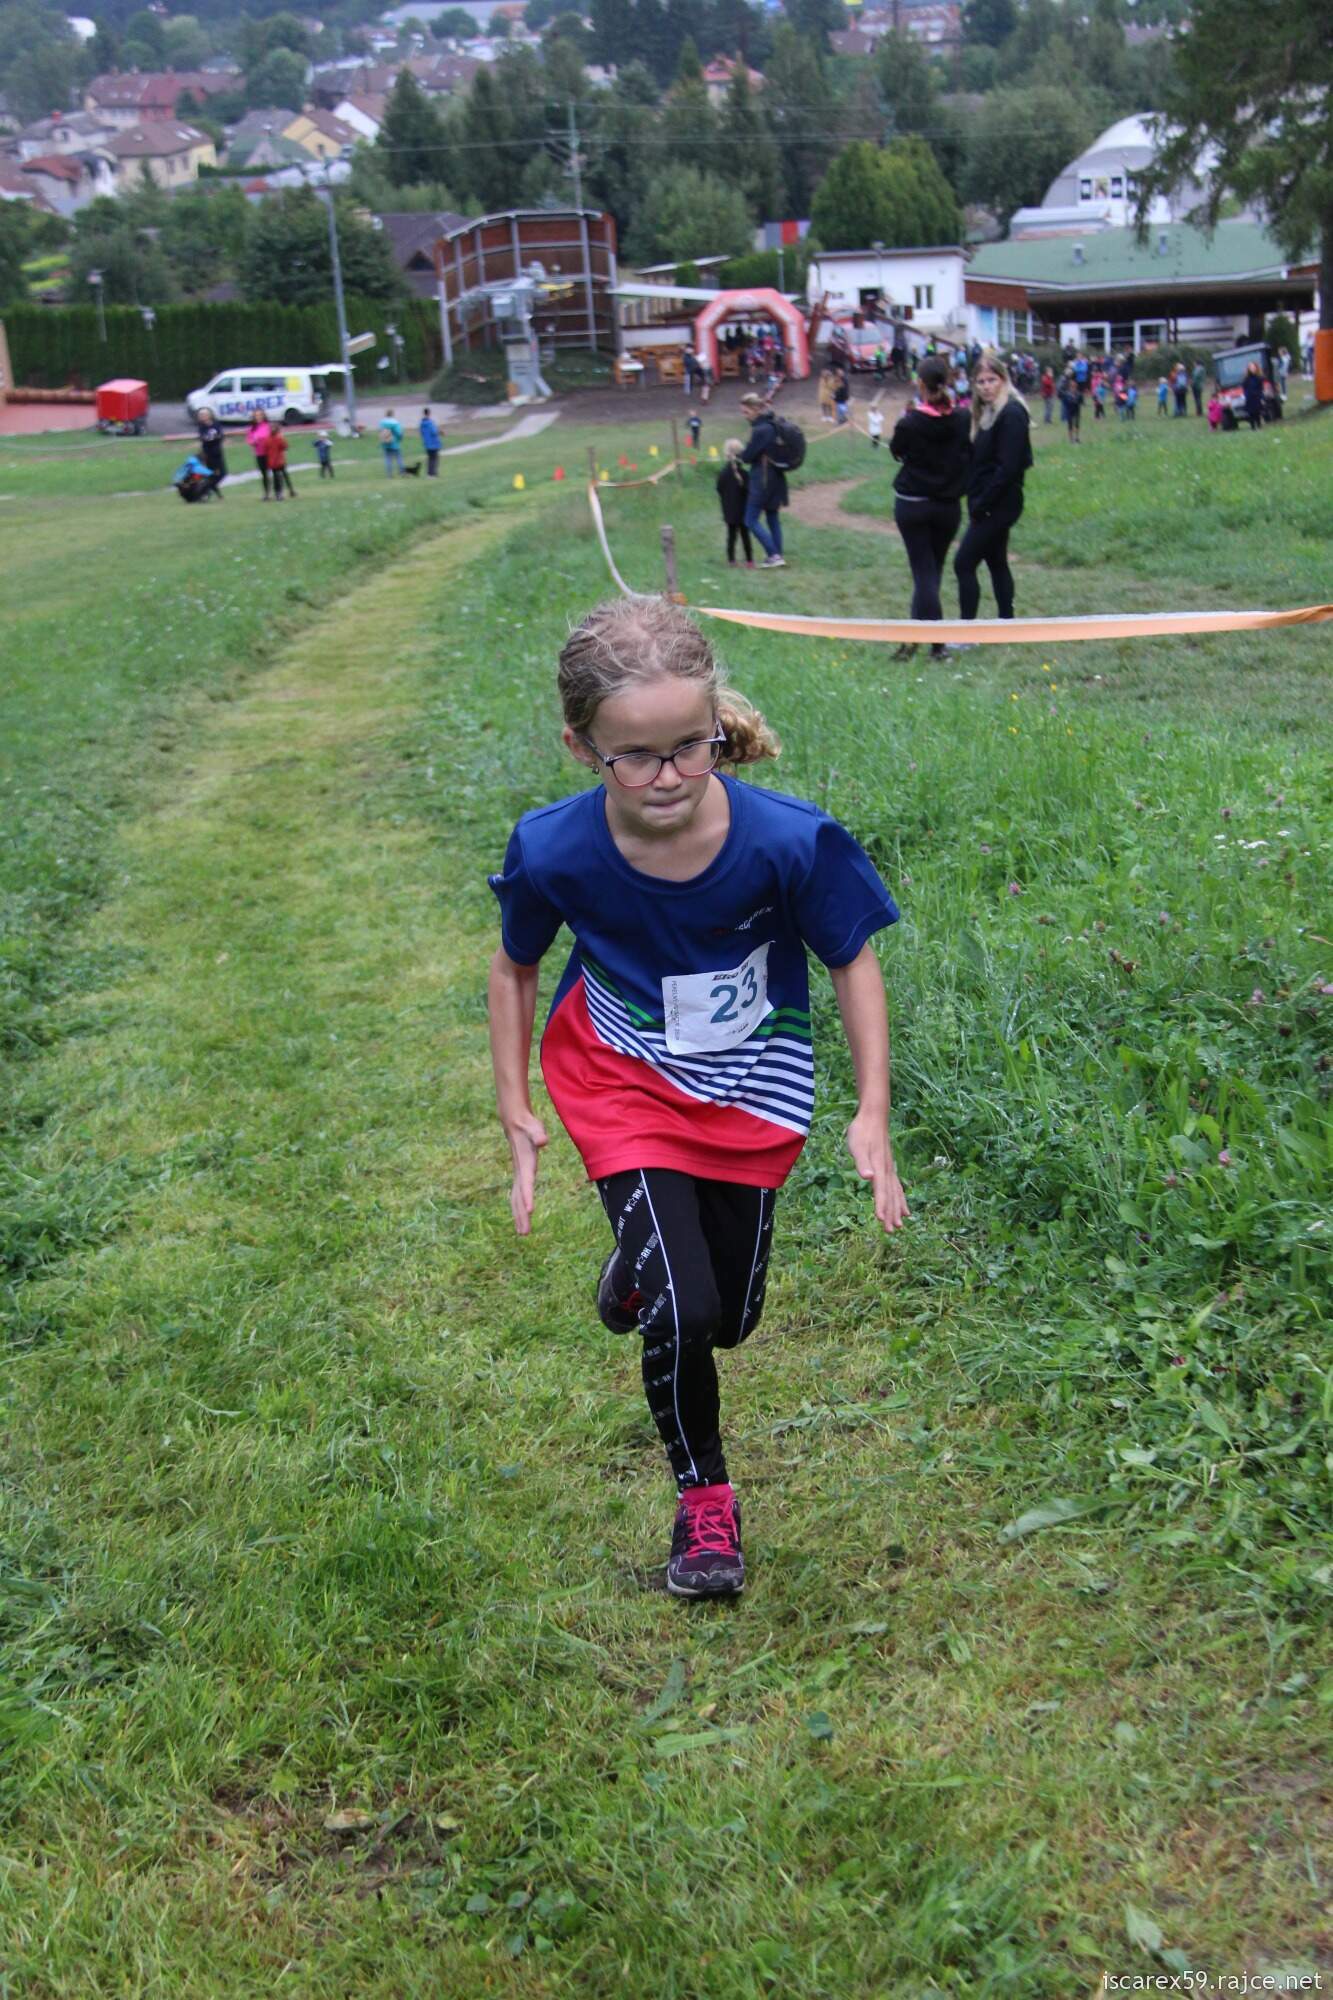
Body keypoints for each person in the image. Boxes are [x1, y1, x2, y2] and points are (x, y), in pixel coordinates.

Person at [486, 597, 907, 1597]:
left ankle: (636, 1275)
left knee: (729, 1314)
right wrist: (516, 1106)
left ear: (716, 726)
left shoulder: (788, 842)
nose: (668, 776)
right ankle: (704, 1501)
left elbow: (850, 960)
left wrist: (871, 1109)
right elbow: (514, 966)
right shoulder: (552, 848)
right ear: (581, 747)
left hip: (750, 1091)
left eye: (689, 746)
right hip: (620, 1079)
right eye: (634, 757)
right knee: (685, 1310)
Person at [889, 353, 971, 662]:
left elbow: (896, 450)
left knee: (925, 576)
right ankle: (913, 643)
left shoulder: (910, 422)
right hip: (947, 508)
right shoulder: (962, 418)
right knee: (930, 575)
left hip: (914, 507)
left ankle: (937, 646)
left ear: (920, 384)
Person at [954, 348, 1031, 626]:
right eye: (981, 381)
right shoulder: (987, 413)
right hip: (986, 500)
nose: (986, 386)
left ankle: (967, 632)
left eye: (991, 380)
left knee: (963, 563)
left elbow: (1008, 467)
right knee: (996, 561)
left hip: (999, 503)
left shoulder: (1011, 413)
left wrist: (982, 504)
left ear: (1003, 379)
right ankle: (1006, 623)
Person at [738, 391, 790, 570]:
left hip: (762, 479)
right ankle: (778, 555)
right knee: (772, 517)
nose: (744, 416)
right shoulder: (773, 425)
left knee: (750, 519)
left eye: (746, 412)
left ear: (756, 410)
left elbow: (747, 456)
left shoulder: (760, 430)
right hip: (777, 478)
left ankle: (773, 554)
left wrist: (739, 453)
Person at [716, 437, 754, 567]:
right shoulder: (745, 474)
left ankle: (731, 560)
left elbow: (719, 489)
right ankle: (749, 561)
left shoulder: (722, 474)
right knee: (745, 535)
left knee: (731, 536)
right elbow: (749, 491)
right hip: (743, 510)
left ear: (726, 454)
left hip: (729, 510)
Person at [196, 406, 226, 496]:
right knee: (211, 474)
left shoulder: (216, 424)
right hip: (208, 454)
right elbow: (204, 438)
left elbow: (220, 436)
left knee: (222, 473)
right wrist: (213, 438)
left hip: (217, 452)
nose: (203, 417)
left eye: (205, 414)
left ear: (209, 415)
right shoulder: (202, 427)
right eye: (201, 415)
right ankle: (206, 491)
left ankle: (205, 490)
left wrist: (213, 438)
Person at [266, 420, 296, 500]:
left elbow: (285, 446)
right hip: (274, 461)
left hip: (279, 460)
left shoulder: (278, 438)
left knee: (282, 475)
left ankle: (288, 491)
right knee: (278, 476)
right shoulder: (270, 438)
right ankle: (279, 493)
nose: (272, 429)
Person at [246, 411, 272, 499]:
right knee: (264, 474)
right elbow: (249, 440)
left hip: (270, 452)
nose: (258, 417)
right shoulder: (252, 428)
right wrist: (254, 441)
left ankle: (278, 491)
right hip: (259, 453)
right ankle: (266, 493)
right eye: (256, 415)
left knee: (276, 472)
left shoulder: (268, 426)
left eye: (260, 415)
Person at [1059, 369, 1082, 443]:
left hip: (1077, 410)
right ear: (1070, 387)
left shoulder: (1078, 394)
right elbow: (1064, 400)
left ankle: (1077, 438)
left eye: (1074, 387)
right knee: (1070, 424)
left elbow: (1080, 402)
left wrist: (1077, 400)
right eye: (1072, 387)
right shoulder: (1067, 394)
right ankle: (1071, 439)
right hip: (1069, 411)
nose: (1073, 388)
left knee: (1077, 424)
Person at [379, 408, 404, 475]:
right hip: (394, 443)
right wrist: (400, 438)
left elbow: (381, 432)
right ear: (392, 414)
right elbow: (399, 433)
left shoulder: (382, 422)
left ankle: (389, 474)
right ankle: (402, 472)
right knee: (399, 458)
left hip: (385, 443)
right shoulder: (395, 423)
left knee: (388, 459)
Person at [1242, 361, 1265, 430]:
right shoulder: (1246, 378)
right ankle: (1253, 427)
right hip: (1249, 398)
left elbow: (1261, 388)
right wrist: (1246, 396)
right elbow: (1244, 388)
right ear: (1249, 369)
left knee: (1257, 412)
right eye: (1251, 367)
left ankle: (1259, 425)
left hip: (1257, 397)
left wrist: (1261, 397)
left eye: (1253, 367)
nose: (1252, 368)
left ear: (1256, 368)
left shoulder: (1259, 378)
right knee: (1251, 413)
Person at [419, 406, 441, 476]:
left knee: (430, 459)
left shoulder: (421, 423)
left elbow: (421, 433)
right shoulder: (430, 423)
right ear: (429, 413)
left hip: (427, 443)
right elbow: (434, 432)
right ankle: (433, 473)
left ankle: (429, 473)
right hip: (433, 443)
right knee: (435, 459)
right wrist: (440, 432)